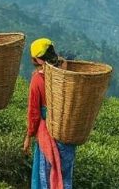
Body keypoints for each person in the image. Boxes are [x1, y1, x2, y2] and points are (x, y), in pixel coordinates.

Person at [23, 38, 76, 189]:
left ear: (38, 60)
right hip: (65, 133)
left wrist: (28, 137)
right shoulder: (64, 73)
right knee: (64, 175)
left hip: (48, 132)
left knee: (46, 175)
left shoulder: (37, 80)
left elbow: (34, 113)